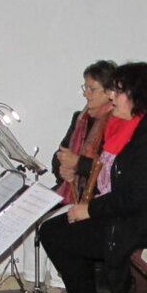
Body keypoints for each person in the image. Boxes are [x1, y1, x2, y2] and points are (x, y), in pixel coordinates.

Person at [40, 62, 147, 293]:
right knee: (53, 229)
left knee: (57, 234)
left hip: (142, 225)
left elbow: (135, 197)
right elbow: (112, 184)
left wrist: (89, 210)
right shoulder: (127, 127)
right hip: (122, 213)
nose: (111, 97)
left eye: (117, 91)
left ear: (136, 94)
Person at [53, 60, 117, 204]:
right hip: (71, 193)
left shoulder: (116, 123)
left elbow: (112, 171)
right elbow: (58, 155)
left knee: (50, 226)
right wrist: (63, 168)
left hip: (98, 200)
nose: (85, 94)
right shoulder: (81, 118)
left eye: (92, 89)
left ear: (109, 92)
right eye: (85, 87)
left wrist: (78, 163)